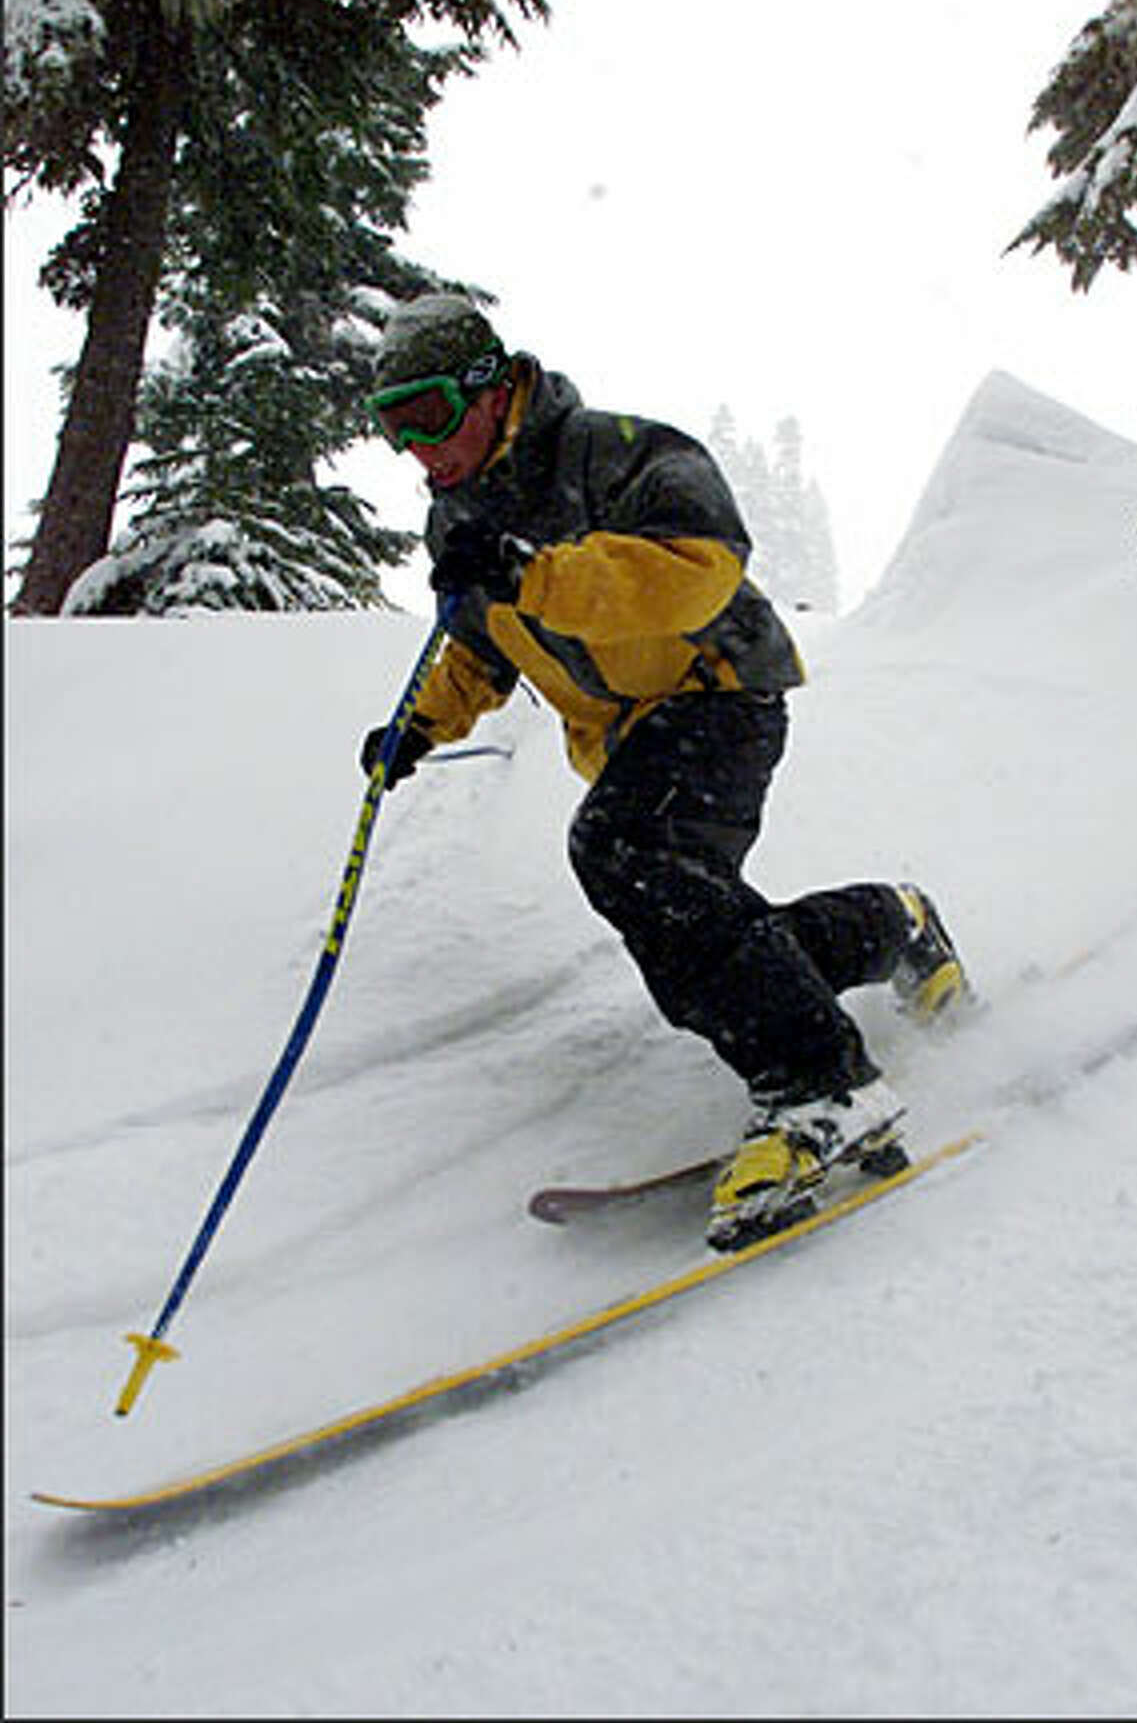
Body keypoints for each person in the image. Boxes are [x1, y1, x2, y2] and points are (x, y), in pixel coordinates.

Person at [360, 292, 968, 1252]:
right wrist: (419, 727)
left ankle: (827, 1090)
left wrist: (533, 572)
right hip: (629, 736)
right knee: (697, 945)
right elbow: (481, 646)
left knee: (625, 849)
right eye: (391, 426)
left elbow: (697, 571)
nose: (415, 448)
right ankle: (894, 926)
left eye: (428, 413)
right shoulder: (459, 523)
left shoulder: (617, 453)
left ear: (492, 387)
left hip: (719, 691)